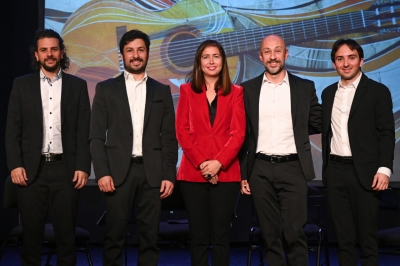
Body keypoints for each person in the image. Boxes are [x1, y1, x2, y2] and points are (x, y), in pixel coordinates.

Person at [90, 29, 178, 266]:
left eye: (140, 50)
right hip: (118, 174)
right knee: (114, 238)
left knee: (150, 240)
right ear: (122, 55)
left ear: (147, 53)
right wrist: (103, 172)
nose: (135, 55)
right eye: (130, 50)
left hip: (152, 174)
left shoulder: (161, 91)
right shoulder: (106, 89)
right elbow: (96, 136)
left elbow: (169, 137)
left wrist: (169, 174)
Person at [5, 29, 91, 266]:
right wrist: (16, 165)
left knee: (66, 241)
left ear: (62, 52)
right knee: (31, 241)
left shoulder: (78, 85)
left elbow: (84, 132)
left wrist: (83, 166)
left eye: (54, 49)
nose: (49, 54)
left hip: (67, 170)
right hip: (32, 172)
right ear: (36, 54)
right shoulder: (21, 85)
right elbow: (12, 131)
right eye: (44, 50)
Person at [239, 34, 321, 265]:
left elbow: (316, 121)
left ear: (286, 54)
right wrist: (244, 173)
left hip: (293, 167)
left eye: (277, 51)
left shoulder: (304, 88)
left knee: (295, 233)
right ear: (260, 56)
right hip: (260, 169)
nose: (272, 57)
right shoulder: (247, 89)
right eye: (267, 52)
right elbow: (243, 135)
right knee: (270, 235)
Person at [321, 38, 395, 265]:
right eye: (340, 59)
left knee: (368, 239)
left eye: (351, 58)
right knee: (343, 240)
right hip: (334, 172)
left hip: (366, 173)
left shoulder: (378, 91)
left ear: (361, 60)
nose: (346, 63)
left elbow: (386, 132)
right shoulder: (327, 93)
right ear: (334, 64)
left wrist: (384, 169)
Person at [175, 39, 245, 266]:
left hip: (226, 174)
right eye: (206, 57)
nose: (211, 61)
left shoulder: (236, 92)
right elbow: (182, 132)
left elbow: (238, 134)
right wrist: (205, 164)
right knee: (198, 237)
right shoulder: (186, 90)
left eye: (216, 56)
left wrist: (218, 164)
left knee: (221, 237)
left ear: (223, 61)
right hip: (193, 174)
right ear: (199, 62)